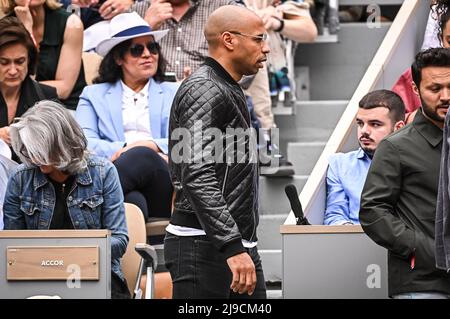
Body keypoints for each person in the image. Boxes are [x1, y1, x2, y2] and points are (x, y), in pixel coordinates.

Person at [165, 5, 269, 298]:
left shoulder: (226, 87)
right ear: (229, 40)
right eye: (259, 39)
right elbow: (196, 174)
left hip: (230, 243)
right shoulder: (204, 88)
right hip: (207, 246)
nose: (266, 48)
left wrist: (238, 244)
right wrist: (231, 246)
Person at [3, 100, 130, 298]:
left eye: (40, 150)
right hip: (37, 276)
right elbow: (12, 245)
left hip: (95, 275)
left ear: (62, 143)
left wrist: (69, 254)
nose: (35, 158)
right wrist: (57, 259)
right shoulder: (20, 178)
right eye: (29, 150)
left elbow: (119, 240)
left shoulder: (103, 172)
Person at [360, 48, 450, 299]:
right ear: (415, 88)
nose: (445, 96)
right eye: (435, 89)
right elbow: (372, 212)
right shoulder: (396, 146)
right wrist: (425, 250)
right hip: (422, 283)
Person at [76, 12, 175, 222]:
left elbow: (189, 140)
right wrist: (125, 149)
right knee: (132, 203)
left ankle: (80, 212)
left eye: (153, 47)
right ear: (119, 57)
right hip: (118, 177)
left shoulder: (175, 92)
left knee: (141, 155)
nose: (148, 54)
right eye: (137, 49)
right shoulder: (93, 95)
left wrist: (149, 146)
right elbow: (84, 143)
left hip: (163, 178)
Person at [324, 90, 405, 225]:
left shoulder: (416, 162)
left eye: (375, 124)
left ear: (398, 128)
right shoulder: (340, 164)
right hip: (354, 241)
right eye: (360, 123)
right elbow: (334, 216)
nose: (364, 131)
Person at [0, 0, 87, 110]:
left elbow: (64, 89)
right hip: (22, 108)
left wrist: (28, 33)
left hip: (65, 107)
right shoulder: (4, 28)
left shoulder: (72, 24)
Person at [0, 16, 57, 161]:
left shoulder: (46, 96)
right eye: (4, 62)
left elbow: (58, 147)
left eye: (20, 62)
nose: (13, 70)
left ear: (29, 60)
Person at [143, 0, 236, 81]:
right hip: (150, 95)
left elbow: (247, 54)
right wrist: (145, 26)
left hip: (209, 94)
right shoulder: (141, 10)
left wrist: (211, 88)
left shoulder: (223, 7)